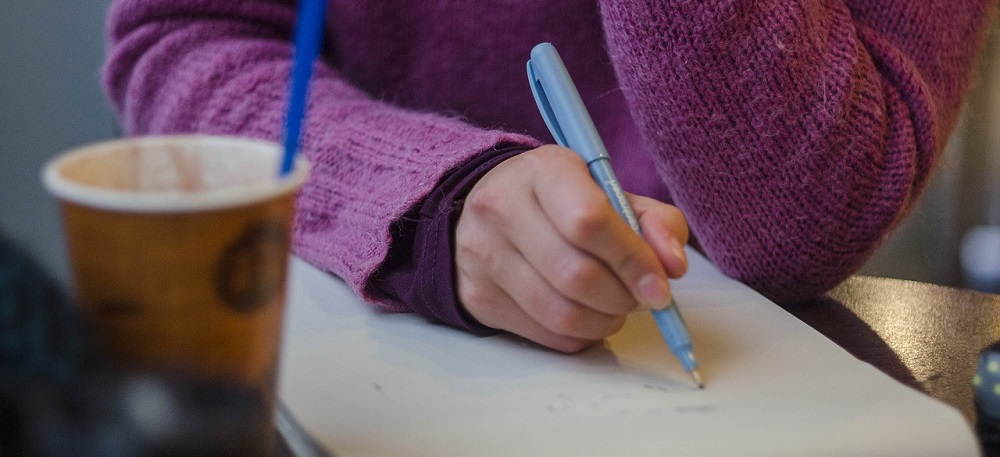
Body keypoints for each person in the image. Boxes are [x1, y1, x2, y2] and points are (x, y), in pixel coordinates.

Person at [103, 1, 996, 353]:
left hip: (740, 387)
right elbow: (184, 40)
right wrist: (428, 196)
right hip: (362, 363)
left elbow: (805, 210)